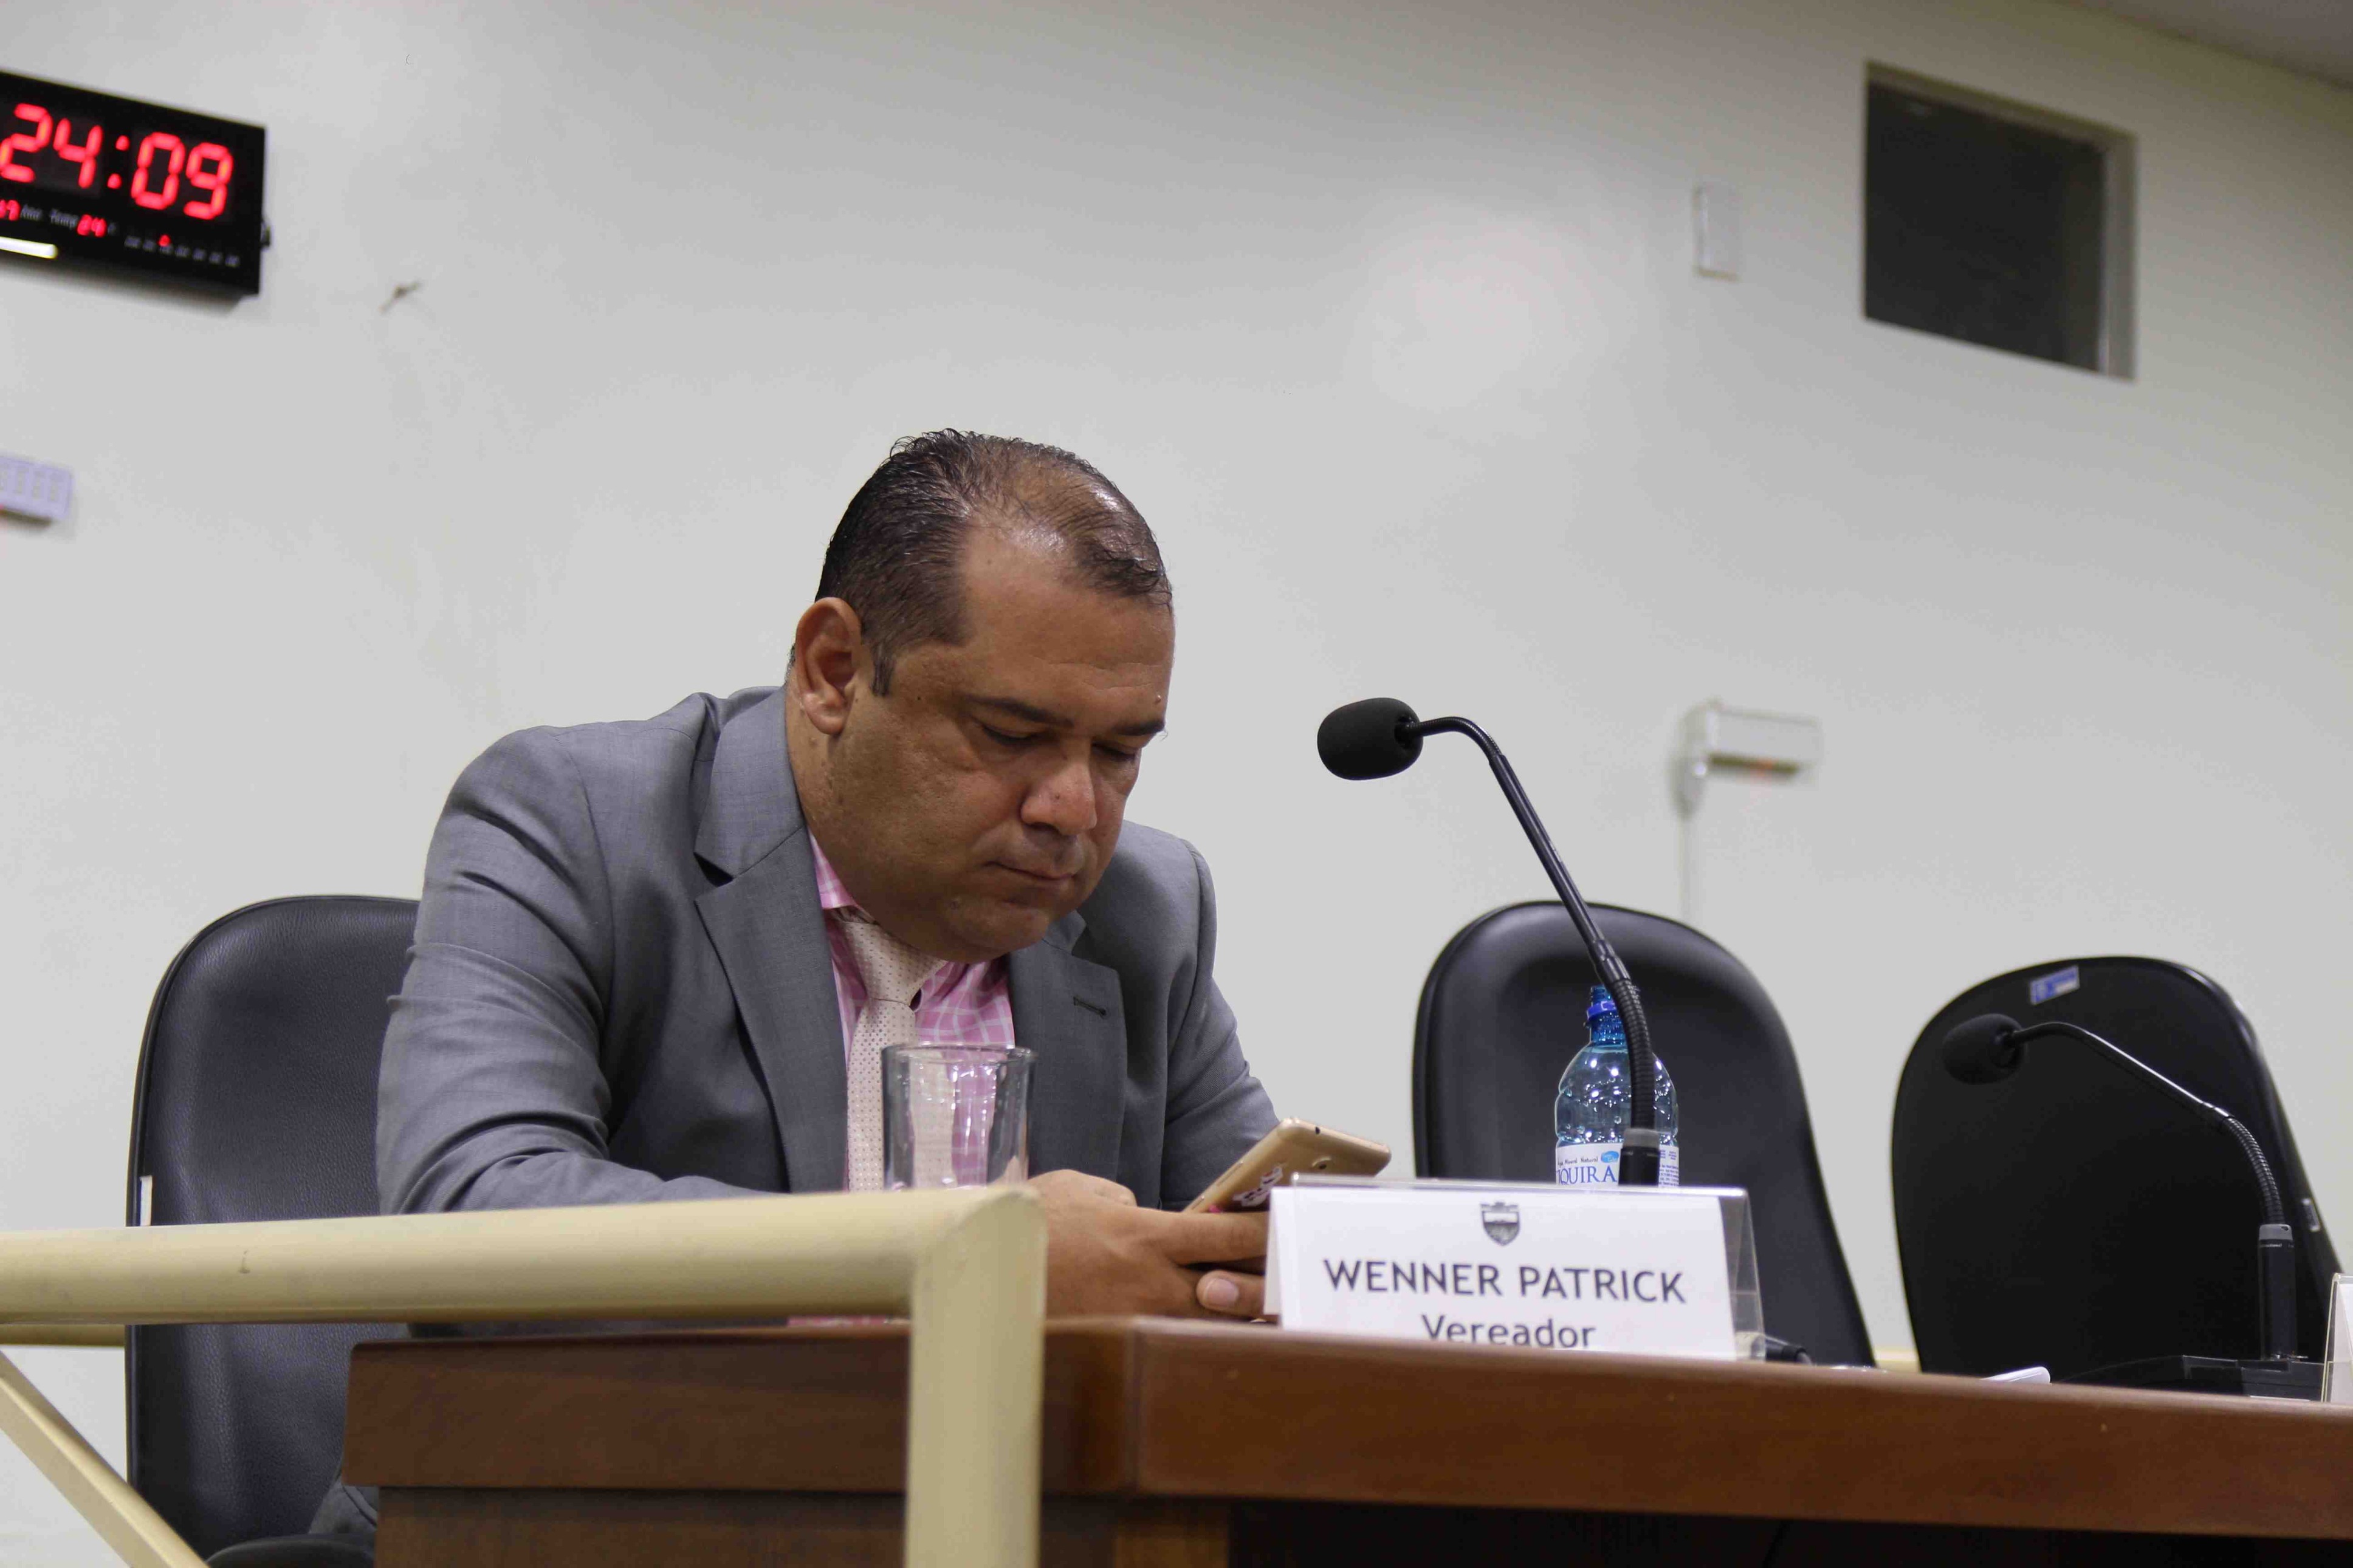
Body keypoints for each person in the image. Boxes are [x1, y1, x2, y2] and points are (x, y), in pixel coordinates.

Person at [315, 430, 1277, 1539]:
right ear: (833, 671)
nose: (1072, 807)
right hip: (582, 1525)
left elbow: (1256, 1256)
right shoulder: (576, 821)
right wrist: (962, 1270)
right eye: (1013, 733)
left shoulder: (1148, 910)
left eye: (1119, 752)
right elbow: (472, 1207)